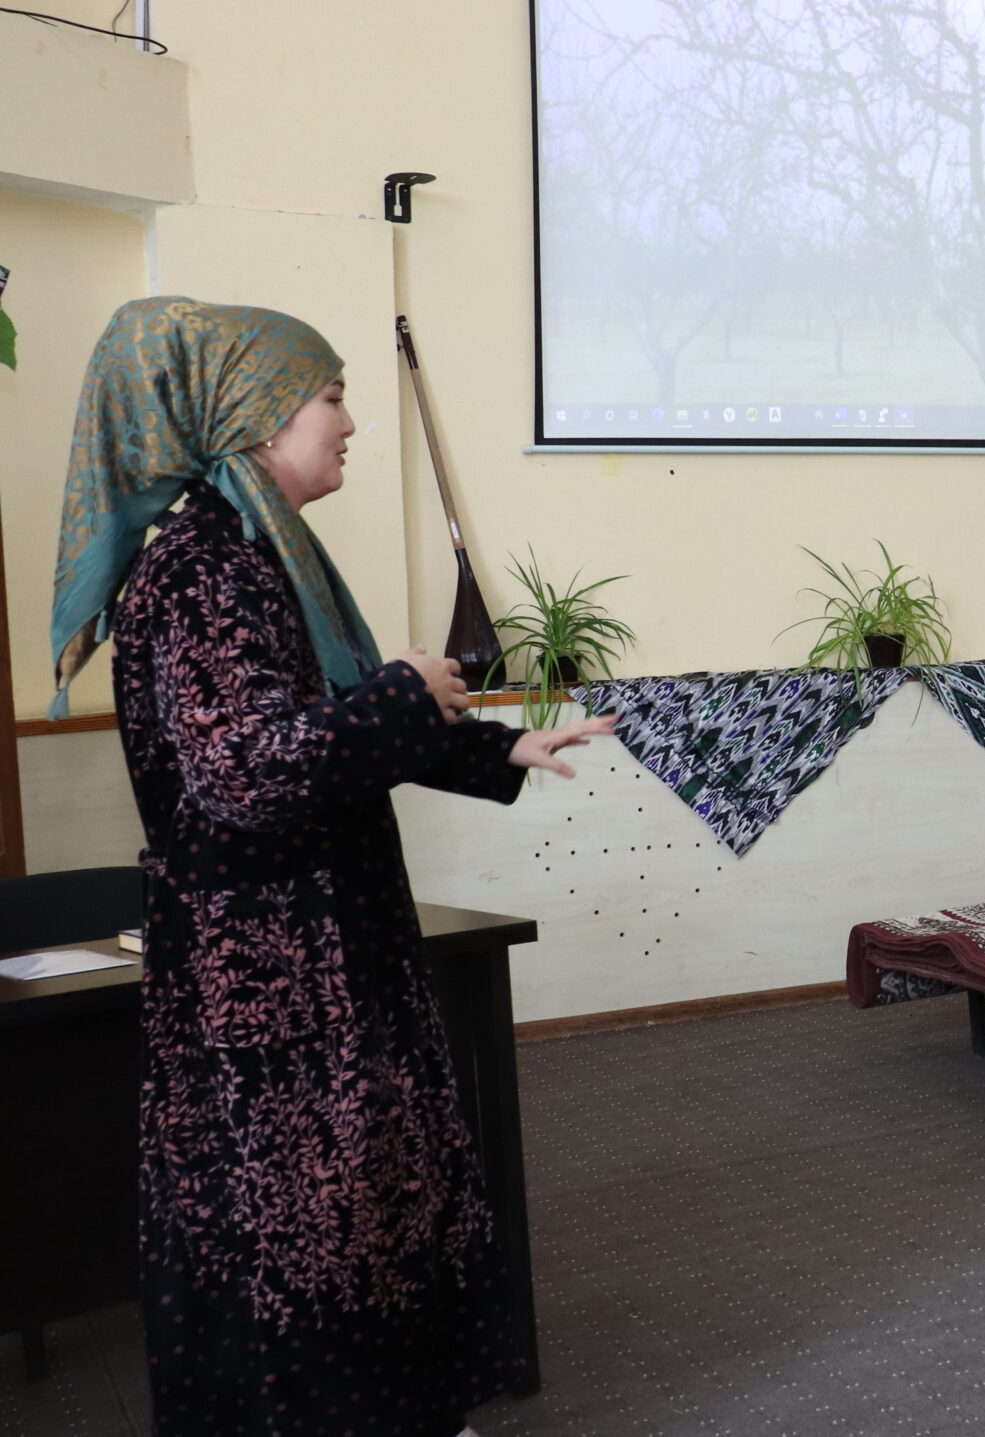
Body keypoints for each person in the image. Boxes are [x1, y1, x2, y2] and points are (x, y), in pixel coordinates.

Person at [49, 297, 614, 1437]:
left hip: (324, 945)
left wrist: (497, 745)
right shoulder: (204, 570)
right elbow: (247, 772)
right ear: (256, 415)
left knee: (367, 1197)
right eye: (332, 396)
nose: (350, 421)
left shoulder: (263, 554)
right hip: (267, 971)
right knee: (303, 1219)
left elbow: (334, 732)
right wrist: (403, 692)